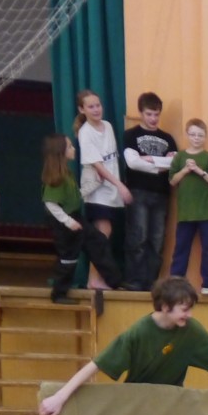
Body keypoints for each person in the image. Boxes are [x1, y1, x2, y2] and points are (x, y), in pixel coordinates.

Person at [38, 276, 208, 415]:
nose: (189, 315)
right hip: (137, 405)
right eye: (184, 309)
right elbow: (96, 365)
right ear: (165, 307)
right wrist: (60, 397)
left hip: (170, 405)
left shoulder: (191, 330)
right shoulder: (138, 333)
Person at [41, 134, 122, 305]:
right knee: (68, 258)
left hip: (75, 217)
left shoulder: (67, 174)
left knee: (98, 242)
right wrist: (68, 222)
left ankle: (114, 281)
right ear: (60, 152)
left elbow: (76, 195)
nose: (73, 149)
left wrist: (95, 184)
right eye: (70, 147)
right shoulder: (56, 178)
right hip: (64, 222)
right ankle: (58, 294)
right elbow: (51, 204)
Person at [119, 91, 178, 291]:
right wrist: (160, 165)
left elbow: (174, 163)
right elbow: (133, 163)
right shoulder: (130, 135)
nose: (153, 118)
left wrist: (148, 159)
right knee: (138, 237)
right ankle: (135, 281)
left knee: (157, 240)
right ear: (141, 113)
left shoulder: (168, 138)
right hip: (138, 191)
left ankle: (151, 283)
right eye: (149, 114)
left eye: (156, 114)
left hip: (161, 193)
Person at [73, 90, 130, 290]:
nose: (96, 109)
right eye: (91, 106)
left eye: (98, 105)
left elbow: (112, 160)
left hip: (112, 190)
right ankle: (93, 279)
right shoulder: (85, 132)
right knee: (102, 234)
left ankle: (97, 277)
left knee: (105, 234)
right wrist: (120, 185)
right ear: (82, 110)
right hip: (98, 191)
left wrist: (117, 186)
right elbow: (99, 166)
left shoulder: (108, 126)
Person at [168, 118, 208, 294]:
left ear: (205, 137)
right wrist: (185, 170)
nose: (196, 138)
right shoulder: (180, 157)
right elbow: (172, 181)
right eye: (193, 134)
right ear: (187, 135)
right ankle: (176, 283)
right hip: (185, 213)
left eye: (200, 135)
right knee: (181, 249)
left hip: (207, 213)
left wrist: (200, 171)